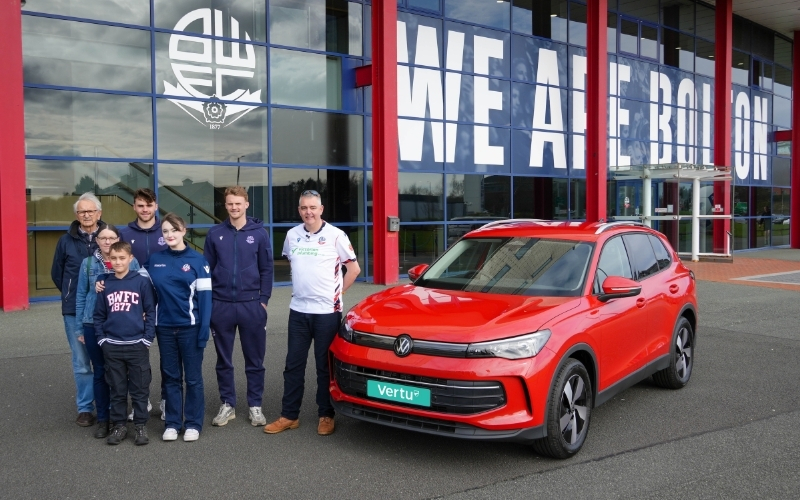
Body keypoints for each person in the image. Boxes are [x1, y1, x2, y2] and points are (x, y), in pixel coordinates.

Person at [264, 189, 360, 436]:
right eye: (304, 208)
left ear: (321, 209)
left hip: (326, 313)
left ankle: (326, 415)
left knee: (324, 367)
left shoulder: (336, 235)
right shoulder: (291, 235)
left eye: (313, 207)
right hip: (298, 310)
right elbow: (294, 264)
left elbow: (354, 269)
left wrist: (337, 295)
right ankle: (289, 415)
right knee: (292, 365)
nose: (308, 212)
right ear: (299, 210)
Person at [204, 186, 273, 428]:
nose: (234, 207)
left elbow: (266, 269)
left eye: (238, 203)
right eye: (230, 203)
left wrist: (263, 300)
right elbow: (207, 271)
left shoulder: (260, 234)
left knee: (255, 360)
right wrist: (210, 302)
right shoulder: (214, 234)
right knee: (224, 360)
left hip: (251, 306)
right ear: (226, 206)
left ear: (246, 204)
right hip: (221, 305)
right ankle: (228, 404)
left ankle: (255, 405)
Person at [75, 224, 145, 439]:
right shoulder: (88, 264)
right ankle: (104, 419)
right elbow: (80, 297)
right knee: (100, 373)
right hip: (92, 324)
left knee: (120, 375)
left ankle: (120, 420)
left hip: (122, 326)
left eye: (111, 237)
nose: (107, 241)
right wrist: (79, 327)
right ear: (96, 240)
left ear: (117, 239)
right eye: (102, 238)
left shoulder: (130, 261)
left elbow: (144, 287)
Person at [148, 213, 212, 442]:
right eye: (165, 231)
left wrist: (204, 331)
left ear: (184, 230)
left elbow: (205, 300)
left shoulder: (198, 261)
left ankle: (193, 423)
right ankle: (173, 423)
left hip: (190, 328)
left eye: (174, 230)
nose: (170, 235)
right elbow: (137, 285)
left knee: (193, 379)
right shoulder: (154, 260)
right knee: (171, 377)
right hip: (164, 328)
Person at [93, 241, 156, 445]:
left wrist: (147, 338)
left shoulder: (141, 282)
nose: (118, 262)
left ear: (130, 259)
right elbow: (99, 315)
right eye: (114, 258)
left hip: (137, 345)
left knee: (139, 389)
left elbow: (151, 311)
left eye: (122, 258)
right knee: (117, 389)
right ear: (109, 260)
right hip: (112, 346)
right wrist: (102, 339)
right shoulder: (106, 283)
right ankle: (119, 425)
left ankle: (140, 425)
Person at [51, 192, 104, 427]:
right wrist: (71, 293)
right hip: (74, 311)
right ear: (76, 214)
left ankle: (109, 404)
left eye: (90, 211)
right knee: (82, 361)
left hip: (107, 309)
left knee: (107, 358)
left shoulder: (110, 236)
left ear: (99, 213)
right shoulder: (66, 241)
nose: (86, 215)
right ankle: (85, 408)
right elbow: (57, 274)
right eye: (82, 211)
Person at [119, 188, 166, 420]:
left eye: (149, 205)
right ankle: (142, 401)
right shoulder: (124, 233)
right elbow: (115, 265)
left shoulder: (167, 231)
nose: (144, 209)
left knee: (168, 355)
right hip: (135, 305)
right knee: (137, 356)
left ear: (155, 206)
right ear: (134, 207)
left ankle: (167, 400)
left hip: (166, 303)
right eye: (140, 205)